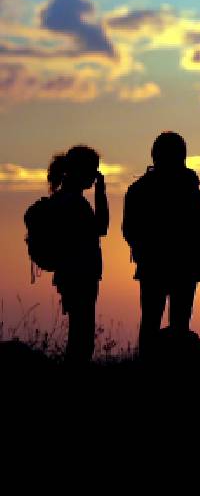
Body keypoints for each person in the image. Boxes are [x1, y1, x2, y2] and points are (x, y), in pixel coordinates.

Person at [122, 131, 200, 357]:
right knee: (176, 324)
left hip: (155, 266)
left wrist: (145, 251)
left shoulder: (140, 188)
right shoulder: (190, 188)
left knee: (151, 322)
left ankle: (149, 366)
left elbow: (129, 229)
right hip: (182, 266)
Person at [46, 145, 109, 364]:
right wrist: (101, 193)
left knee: (79, 332)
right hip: (80, 274)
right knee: (82, 337)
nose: (94, 177)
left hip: (70, 273)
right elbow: (101, 227)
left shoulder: (62, 199)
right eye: (93, 171)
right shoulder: (75, 203)